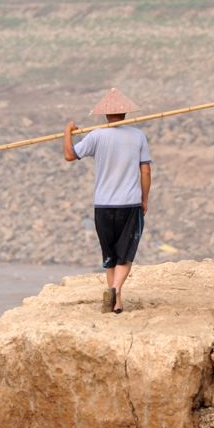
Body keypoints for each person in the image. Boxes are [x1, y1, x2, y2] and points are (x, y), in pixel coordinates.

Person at [63, 88, 152, 314]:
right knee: (126, 254)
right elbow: (146, 171)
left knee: (110, 255)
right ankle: (115, 290)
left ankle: (116, 301)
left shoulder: (96, 135)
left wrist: (68, 132)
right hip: (129, 204)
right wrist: (145, 199)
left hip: (103, 206)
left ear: (105, 115)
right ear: (126, 114)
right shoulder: (138, 136)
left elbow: (69, 155)